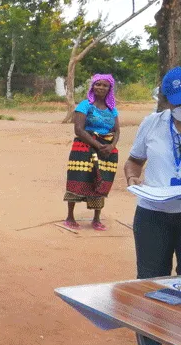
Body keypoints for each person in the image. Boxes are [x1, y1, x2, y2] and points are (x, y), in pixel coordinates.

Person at [121, 66, 181, 345]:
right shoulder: (152, 124)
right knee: (149, 281)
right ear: (167, 99)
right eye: (177, 100)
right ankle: (148, 344)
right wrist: (132, 178)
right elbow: (134, 161)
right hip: (153, 214)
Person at [64, 74, 120, 231]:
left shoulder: (112, 109)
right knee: (78, 179)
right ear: (92, 87)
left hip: (106, 150)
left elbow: (116, 131)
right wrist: (96, 144)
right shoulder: (84, 105)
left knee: (101, 181)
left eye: (105, 85)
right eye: (98, 84)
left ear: (110, 88)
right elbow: (78, 130)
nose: (101, 88)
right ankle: (70, 216)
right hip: (84, 148)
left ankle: (96, 219)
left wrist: (111, 146)